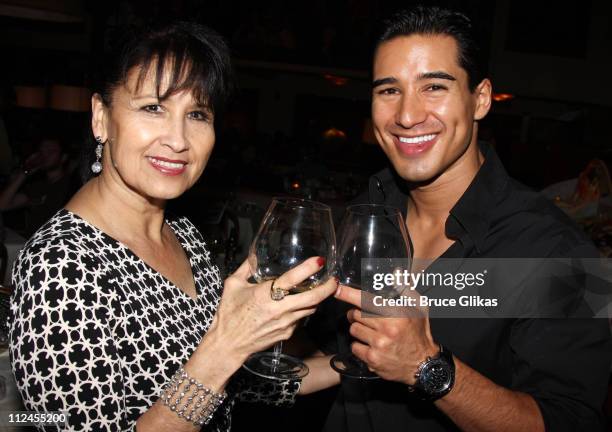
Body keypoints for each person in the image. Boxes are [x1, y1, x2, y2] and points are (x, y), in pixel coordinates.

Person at [9, 22, 338, 431]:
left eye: (197, 114)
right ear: (101, 118)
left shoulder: (181, 233)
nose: (179, 139)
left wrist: (358, 362)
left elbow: (218, 388)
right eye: (153, 108)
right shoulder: (58, 266)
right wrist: (227, 344)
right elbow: (212, 368)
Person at [309, 6, 612, 432]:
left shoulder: (564, 251)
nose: (407, 116)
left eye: (434, 86)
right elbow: (353, 351)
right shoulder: (369, 211)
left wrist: (429, 368)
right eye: (388, 90)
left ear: (481, 99)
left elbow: (571, 422)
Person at [0, 136, 77, 237]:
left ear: (63, 157)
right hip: (32, 244)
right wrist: (24, 172)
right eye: (42, 151)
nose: (45, 155)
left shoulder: (72, 185)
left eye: (51, 151)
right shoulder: (39, 186)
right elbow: (3, 205)